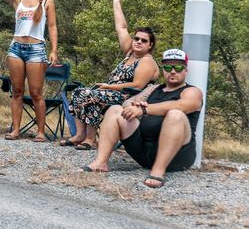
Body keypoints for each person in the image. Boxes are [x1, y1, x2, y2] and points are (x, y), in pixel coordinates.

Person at [80, 49, 203, 188]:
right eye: (168, 67)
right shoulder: (153, 89)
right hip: (144, 153)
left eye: (178, 67)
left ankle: (158, 171)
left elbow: (183, 105)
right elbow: (127, 104)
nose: (173, 71)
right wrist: (135, 105)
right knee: (115, 110)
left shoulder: (192, 91)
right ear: (163, 70)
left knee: (175, 114)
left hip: (178, 157)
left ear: (185, 71)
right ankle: (100, 162)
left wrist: (145, 109)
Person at [59, 0, 160, 150]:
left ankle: (91, 140)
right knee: (79, 92)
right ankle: (79, 135)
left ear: (150, 45)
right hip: (111, 92)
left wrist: (109, 87)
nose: (139, 42)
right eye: (137, 38)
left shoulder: (147, 61)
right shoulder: (130, 52)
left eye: (144, 40)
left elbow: (137, 86)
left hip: (127, 97)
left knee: (91, 95)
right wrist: (116, 2)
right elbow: (121, 27)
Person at [0, 0, 58, 142]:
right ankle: (16, 130)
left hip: (36, 49)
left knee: (36, 93)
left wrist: (54, 50)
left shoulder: (48, 1)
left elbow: (52, 27)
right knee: (17, 90)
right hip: (16, 49)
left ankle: (41, 132)